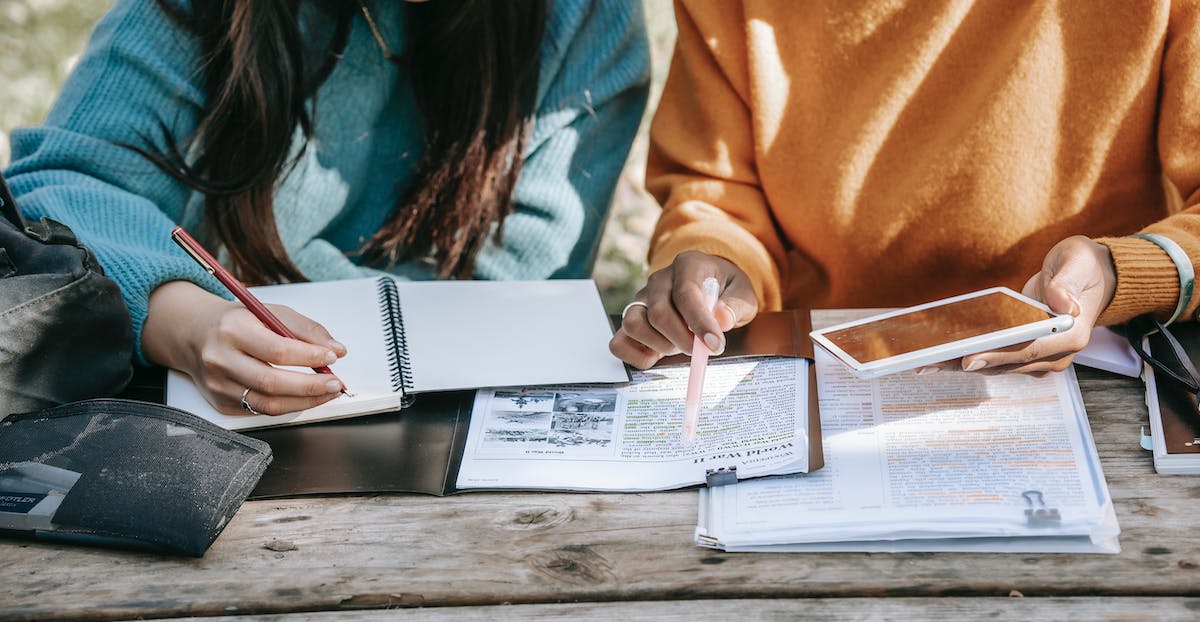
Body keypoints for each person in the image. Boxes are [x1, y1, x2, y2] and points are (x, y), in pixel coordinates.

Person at [5, 0, 650, 415]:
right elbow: (61, 188)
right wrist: (188, 323)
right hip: (204, 425)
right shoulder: (212, 13)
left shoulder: (586, 19)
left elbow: (523, 286)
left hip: (457, 430)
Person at [611, 0, 1200, 375]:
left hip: (1099, 371)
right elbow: (716, 187)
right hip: (820, 369)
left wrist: (1122, 272)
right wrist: (716, 266)